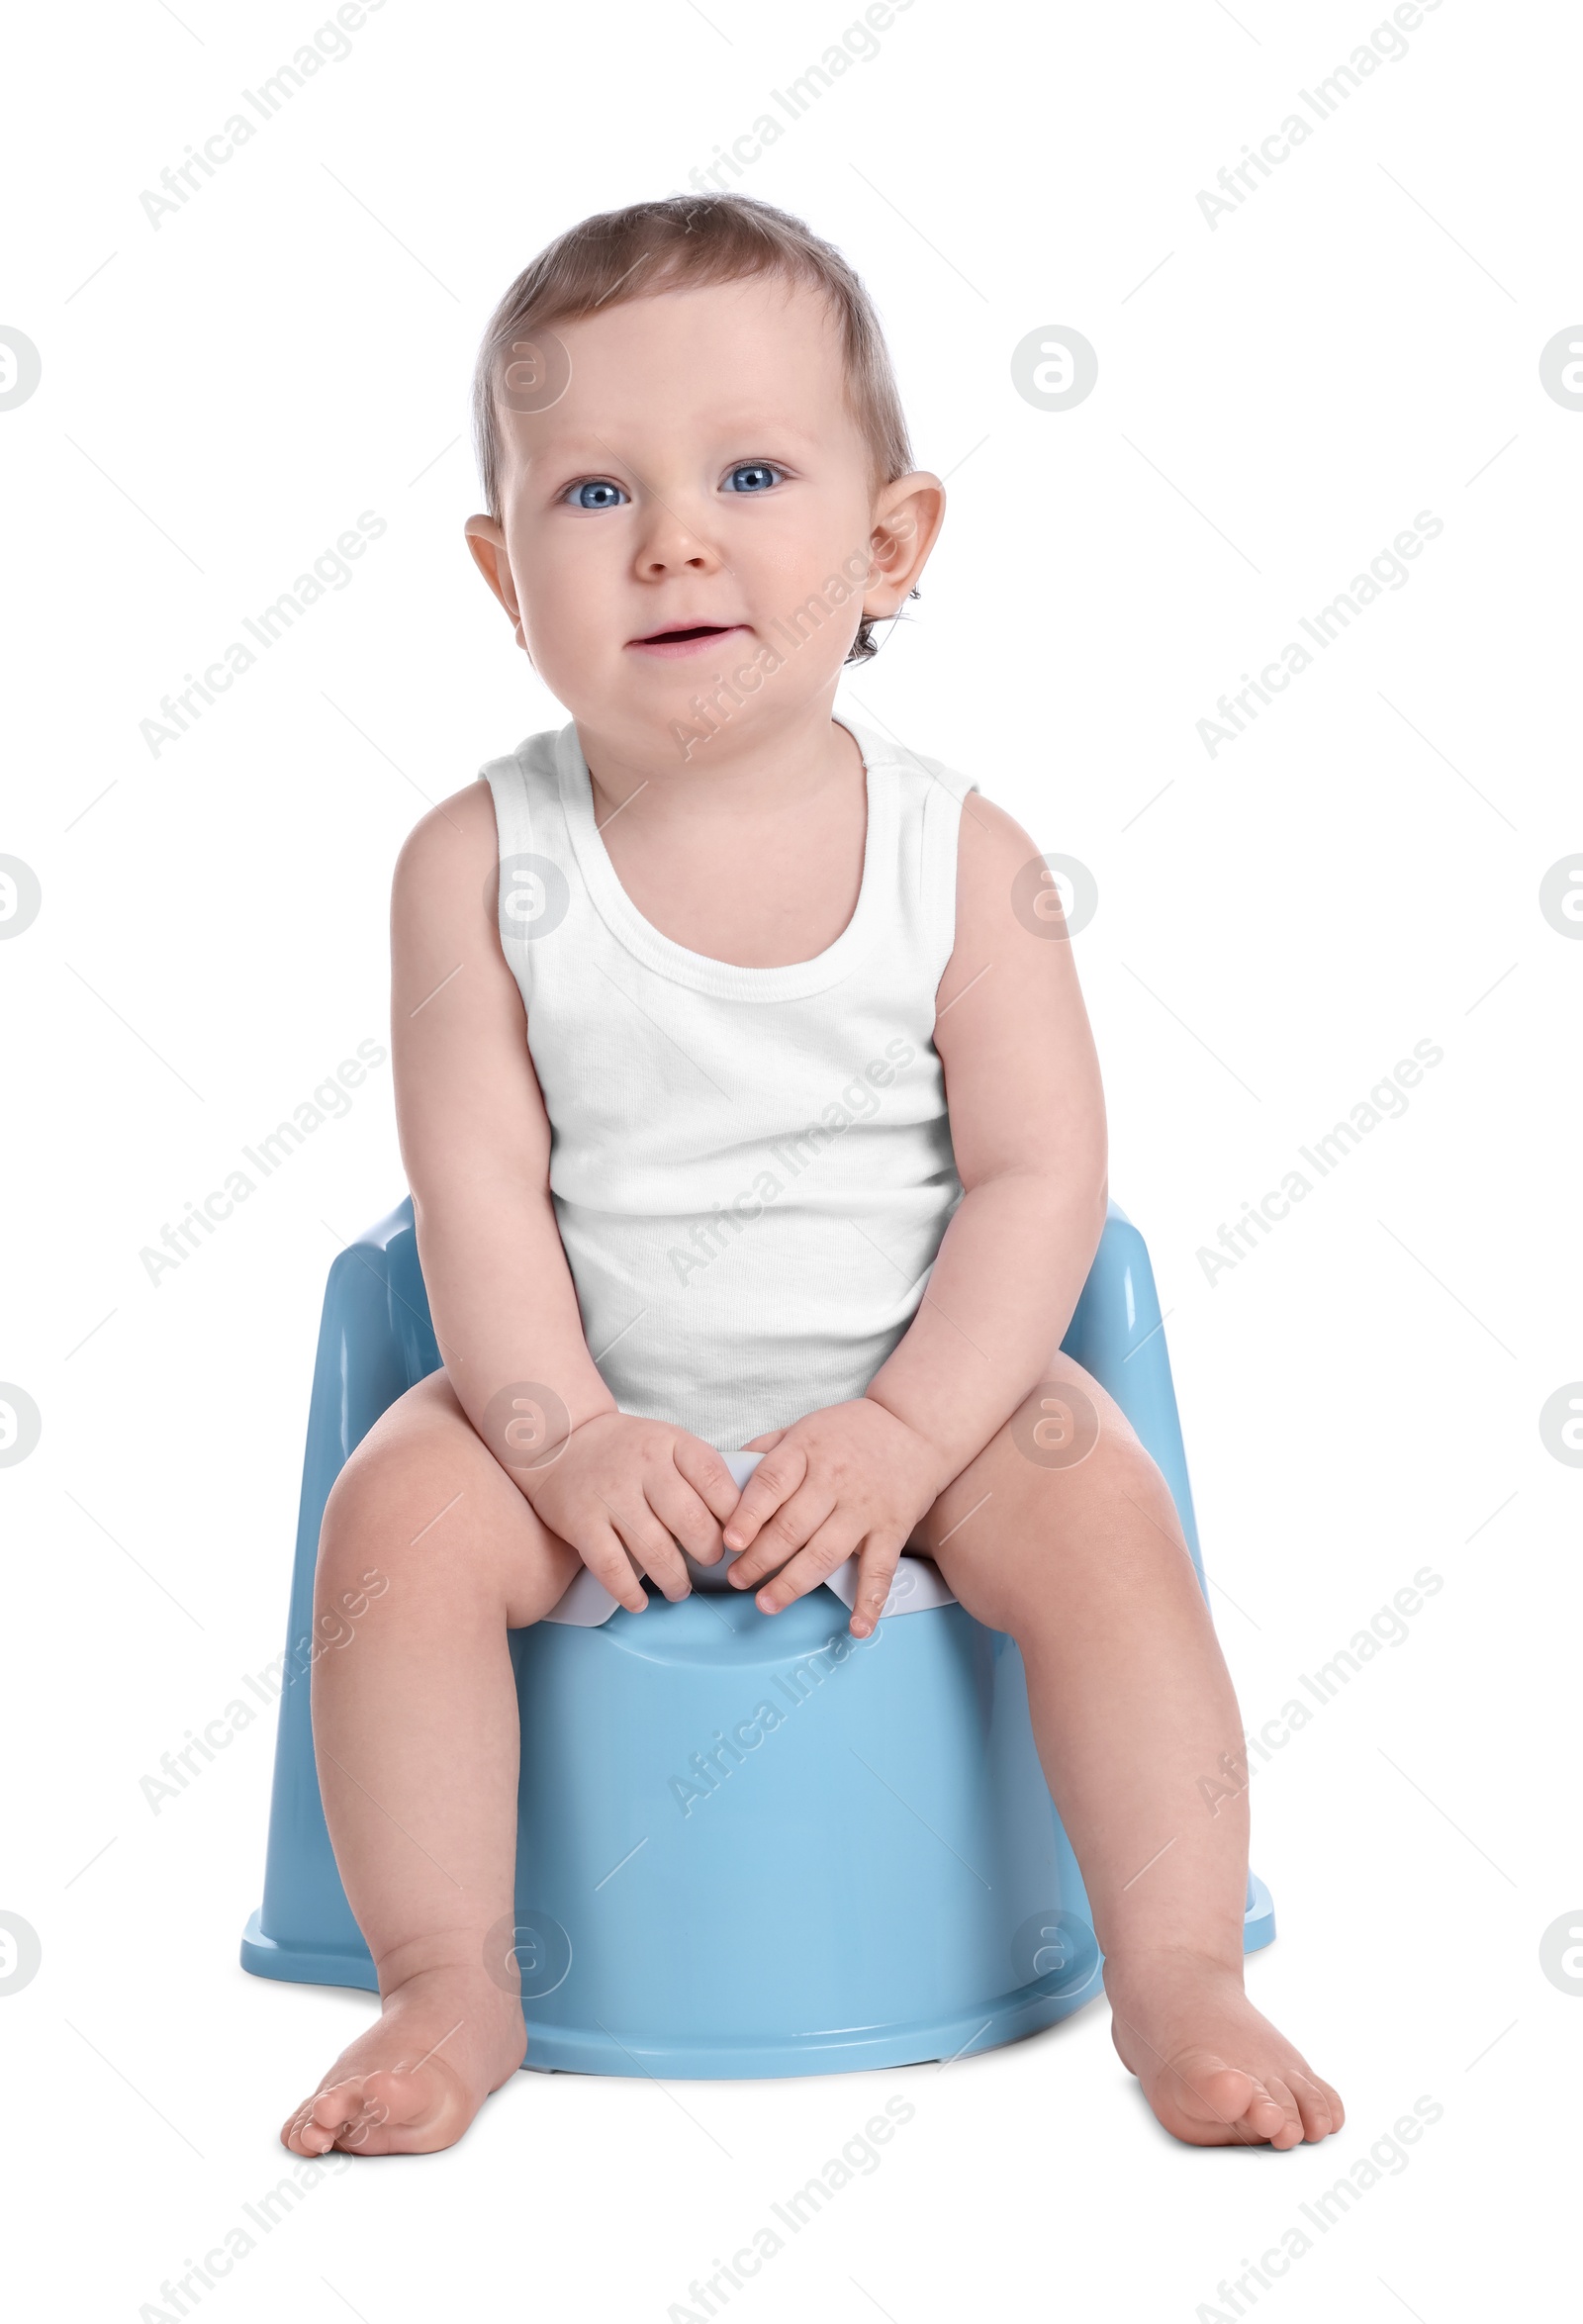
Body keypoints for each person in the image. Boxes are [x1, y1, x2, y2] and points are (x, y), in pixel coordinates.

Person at [282, 193, 1343, 2159]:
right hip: (585, 1411)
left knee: (1094, 1500)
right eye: (596, 493)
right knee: (392, 1524)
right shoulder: (470, 862)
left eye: (750, 472)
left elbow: (1042, 1182)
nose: (675, 534)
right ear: (503, 573)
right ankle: (448, 1972)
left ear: (886, 544)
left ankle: (1178, 1968)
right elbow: (478, 1200)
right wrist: (567, 1434)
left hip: (929, 1396)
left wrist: (905, 1428)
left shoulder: (966, 855)